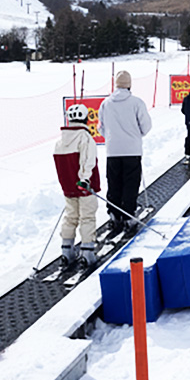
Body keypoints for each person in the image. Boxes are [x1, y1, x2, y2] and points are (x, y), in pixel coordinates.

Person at [98, 70, 152, 237]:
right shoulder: (136, 102)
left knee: (114, 183)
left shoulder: (106, 103)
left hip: (112, 151)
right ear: (129, 84)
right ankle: (128, 216)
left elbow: (100, 127)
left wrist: (111, 137)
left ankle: (114, 215)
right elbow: (146, 126)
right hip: (132, 150)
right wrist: (135, 136)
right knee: (130, 183)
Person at [54, 103, 101, 266]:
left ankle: (67, 251)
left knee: (71, 216)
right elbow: (88, 161)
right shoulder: (85, 137)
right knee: (87, 217)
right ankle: (87, 252)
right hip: (84, 186)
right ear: (86, 118)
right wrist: (85, 179)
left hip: (68, 187)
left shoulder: (60, 142)